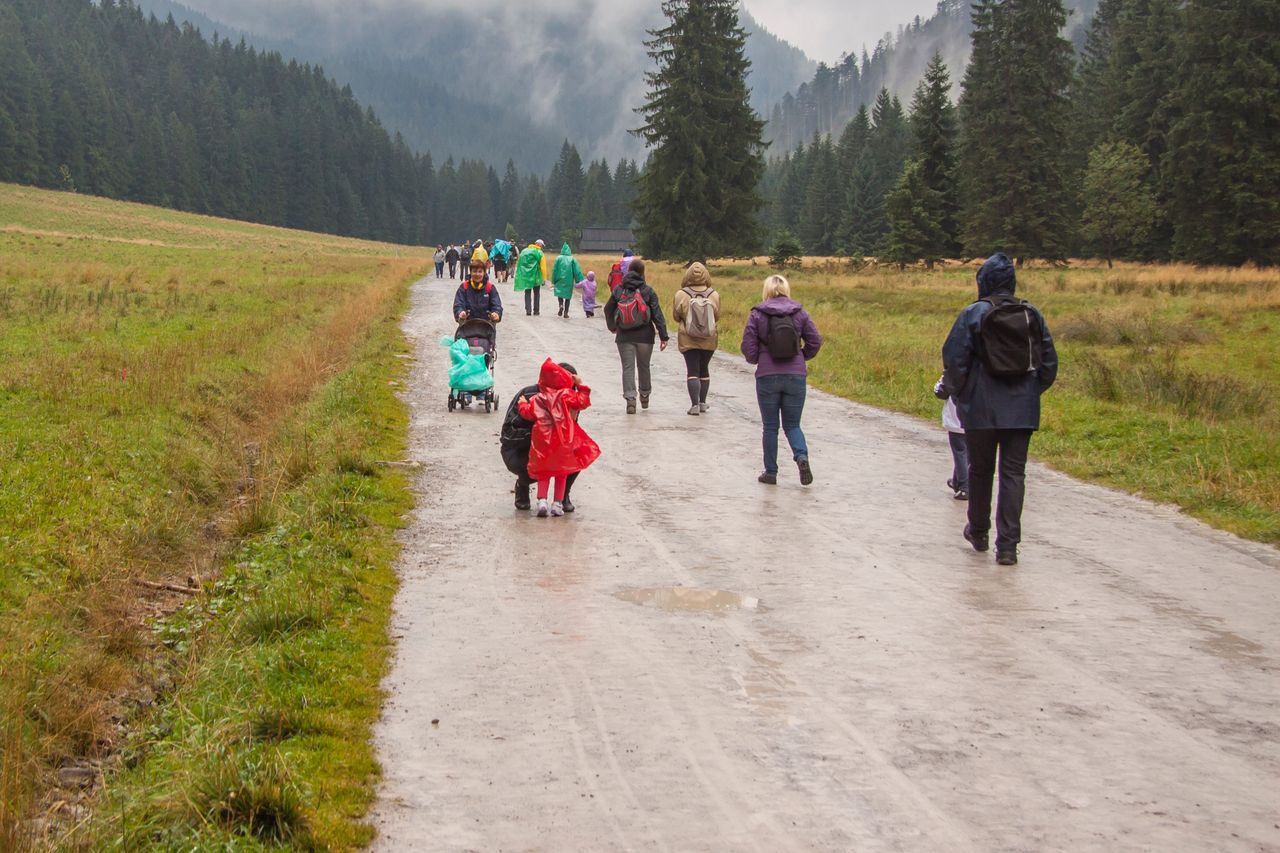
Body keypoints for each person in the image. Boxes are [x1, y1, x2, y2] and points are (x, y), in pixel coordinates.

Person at [942, 252, 1057, 566]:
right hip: (1022, 409)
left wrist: (959, 393)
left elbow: (954, 359)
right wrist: (1031, 391)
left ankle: (978, 530)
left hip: (981, 407)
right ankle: (1008, 546)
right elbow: (1049, 363)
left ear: (984, 281)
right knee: (1013, 475)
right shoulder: (1032, 313)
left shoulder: (973, 313)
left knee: (980, 470)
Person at [740, 274, 822, 485]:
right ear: (786, 289)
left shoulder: (758, 314)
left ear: (766, 290)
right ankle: (801, 457)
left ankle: (771, 472)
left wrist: (758, 358)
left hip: (767, 375)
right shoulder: (800, 312)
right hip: (796, 375)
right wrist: (802, 356)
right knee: (793, 425)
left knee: (770, 427)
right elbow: (815, 340)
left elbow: (748, 347)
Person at [518, 359, 600, 517]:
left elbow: (528, 413)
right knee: (562, 474)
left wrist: (522, 404)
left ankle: (542, 501)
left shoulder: (538, 398)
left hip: (542, 441)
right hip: (564, 442)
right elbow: (583, 401)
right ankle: (557, 503)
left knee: (544, 473)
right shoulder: (567, 396)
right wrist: (581, 384)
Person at [502, 362, 584, 511]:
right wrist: (537, 435)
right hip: (524, 449)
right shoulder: (530, 396)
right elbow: (507, 435)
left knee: (579, 451)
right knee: (537, 463)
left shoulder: (568, 400)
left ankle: (562, 496)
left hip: (557, 451)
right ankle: (523, 484)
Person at [603, 258, 669, 414]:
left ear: (628, 271)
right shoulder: (648, 290)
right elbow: (657, 314)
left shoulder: (619, 290)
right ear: (642, 272)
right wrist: (664, 336)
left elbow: (607, 309)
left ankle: (630, 400)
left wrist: (613, 327)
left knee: (628, 368)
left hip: (624, 336)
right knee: (644, 366)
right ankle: (644, 396)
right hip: (645, 336)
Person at [671, 262, 721, 416]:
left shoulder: (681, 294)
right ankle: (702, 402)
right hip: (709, 339)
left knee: (692, 370)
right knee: (704, 369)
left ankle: (694, 405)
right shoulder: (714, 294)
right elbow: (717, 316)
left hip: (688, 338)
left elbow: (675, 317)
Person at [934, 374, 968, 500]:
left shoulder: (954, 371)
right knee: (968, 452)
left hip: (956, 419)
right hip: (976, 419)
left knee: (960, 452)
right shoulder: (980, 369)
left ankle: (964, 487)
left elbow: (940, 391)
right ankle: (957, 481)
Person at [514, 238, 549, 316]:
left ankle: (528, 310)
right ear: (540, 245)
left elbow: (520, 264)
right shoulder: (540, 253)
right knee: (536, 293)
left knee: (527, 293)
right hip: (536, 277)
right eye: (542, 246)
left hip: (526, 276)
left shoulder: (525, 251)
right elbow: (543, 267)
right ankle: (536, 311)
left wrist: (520, 275)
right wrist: (544, 278)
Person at [552, 243, 584, 318]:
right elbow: (577, 271)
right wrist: (579, 280)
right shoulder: (572, 259)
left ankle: (560, 305)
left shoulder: (558, 258)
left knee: (560, 294)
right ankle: (566, 312)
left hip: (559, 279)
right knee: (567, 297)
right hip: (569, 280)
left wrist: (553, 280)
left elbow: (554, 270)